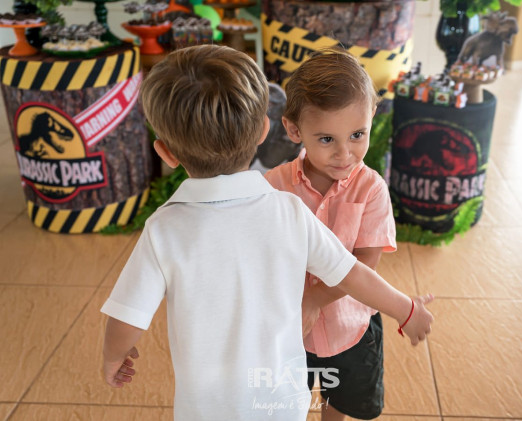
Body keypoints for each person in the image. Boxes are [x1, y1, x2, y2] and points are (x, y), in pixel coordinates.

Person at [101, 44, 434, 421]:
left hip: (205, 407)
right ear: (264, 130)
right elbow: (352, 273)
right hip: (280, 404)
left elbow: (128, 314)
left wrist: (114, 357)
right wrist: (405, 309)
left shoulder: (162, 230)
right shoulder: (288, 210)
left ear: (166, 153)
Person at [264, 48, 403, 421]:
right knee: (284, 402)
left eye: (357, 135)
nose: (345, 154)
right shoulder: (273, 186)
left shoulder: (371, 189)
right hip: (289, 329)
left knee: (340, 402)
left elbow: (366, 263)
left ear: (371, 117)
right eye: (327, 139)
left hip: (351, 327)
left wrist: (314, 299)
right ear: (294, 130)